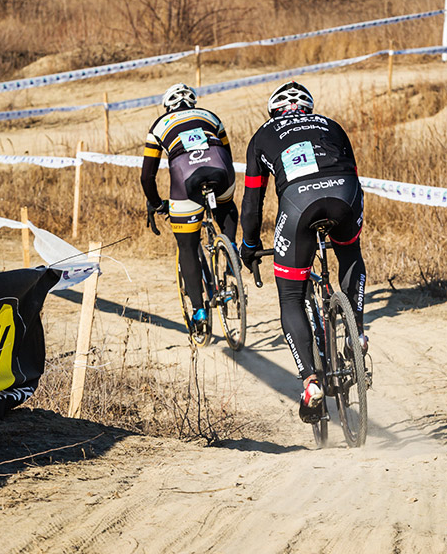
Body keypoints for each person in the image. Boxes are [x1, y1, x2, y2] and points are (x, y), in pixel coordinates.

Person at [239, 81, 367, 423]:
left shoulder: (263, 135)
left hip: (299, 204)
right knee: (350, 253)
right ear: (307, 109)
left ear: (274, 112)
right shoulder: (331, 124)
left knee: (291, 294)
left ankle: (310, 381)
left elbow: (253, 202)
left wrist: (249, 246)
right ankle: (359, 333)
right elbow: (353, 174)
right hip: (345, 194)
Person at [141, 83, 238, 332]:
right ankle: (230, 255)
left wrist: (155, 203)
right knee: (226, 206)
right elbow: (226, 153)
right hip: (221, 172)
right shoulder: (210, 116)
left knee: (187, 245)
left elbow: (146, 177)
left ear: (167, 107)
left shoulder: (159, 125)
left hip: (186, 178)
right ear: (192, 103)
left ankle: (198, 310)